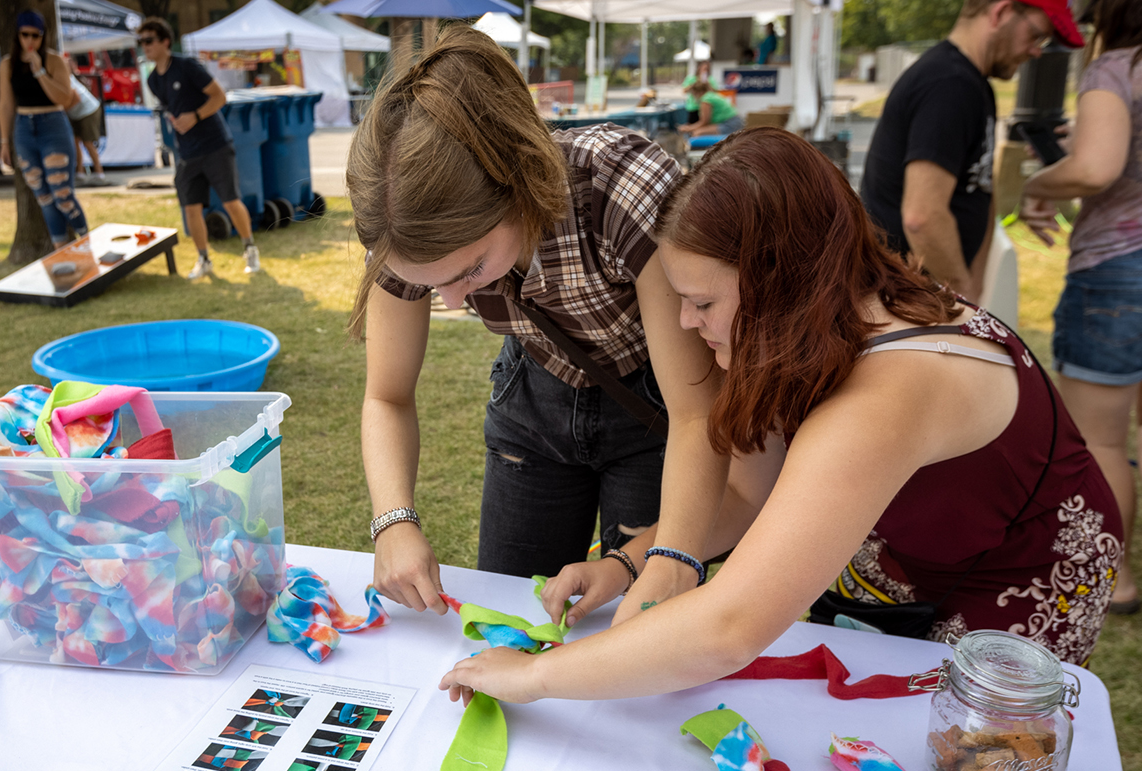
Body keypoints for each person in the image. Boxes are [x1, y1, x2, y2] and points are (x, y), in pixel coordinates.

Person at [439, 127, 1121, 707]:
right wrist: (626, 561)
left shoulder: (886, 393)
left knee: (970, 751)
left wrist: (536, 676)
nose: (684, 323)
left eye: (703, 302)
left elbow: (729, 628)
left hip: (1015, 574)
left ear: (779, 282)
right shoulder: (803, 329)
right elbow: (746, 494)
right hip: (906, 561)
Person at [348, 26, 728, 618]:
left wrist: (668, 560)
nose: (451, 302)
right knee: (517, 613)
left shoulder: (617, 189)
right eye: (431, 283)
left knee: (639, 618)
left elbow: (695, 413)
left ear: (517, 184)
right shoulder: (407, 227)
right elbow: (387, 396)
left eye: (470, 270)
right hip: (533, 402)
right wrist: (393, 520)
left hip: (656, 411)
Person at [1021, 0, 1142, 615]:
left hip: (1119, 269)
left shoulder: (1116, 68)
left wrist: (1036, 184)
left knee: (1100, 442)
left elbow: (1095, 167)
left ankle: (1114, 582)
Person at [860, 0, 1082, 302]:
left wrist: (974, 287)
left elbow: (981, 189)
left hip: (933, 295)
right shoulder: (949, 85)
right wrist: (964, 297)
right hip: (907, 298)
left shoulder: (974, 84)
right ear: (1001, 12)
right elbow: (923, 217)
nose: (1037, 51)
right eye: (1036, 35)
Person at [137, 17, 260, 278]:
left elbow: (220, 96)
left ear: (165, 42)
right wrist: (177, 121)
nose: (144, 46)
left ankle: (250, 249)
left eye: (149, 40)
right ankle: (203, 259)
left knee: (230, 201)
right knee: (190, 207)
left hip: (215, 144)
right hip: (187, 151)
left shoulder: (186, 66)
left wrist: (195, 116)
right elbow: (172, 109)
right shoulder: (153, 81)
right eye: (141, 42)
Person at [0, 10, 90, 245]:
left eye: (35, 36)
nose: (30, 41)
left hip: (53, 125)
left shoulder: (54, 61)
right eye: (25, 35)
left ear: (43, 36)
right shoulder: (8, 64)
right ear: (17, 36)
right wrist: (4, 141)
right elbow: (5, 104)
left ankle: (87, 242)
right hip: (24, 128)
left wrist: (39, 71)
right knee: (44, 197)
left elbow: (64, 99)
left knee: (62, 195)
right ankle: (61, 251)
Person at [679, 80, 745, 138]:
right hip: (735, 121)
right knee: (698, 131)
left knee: (697, 133)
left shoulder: (706, 99)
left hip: (730, 124)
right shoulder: (711, 95)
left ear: (696, 92)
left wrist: (688, 128)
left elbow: (704, 122)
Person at [70, 83, 107, 184]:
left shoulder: (63, 77)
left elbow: (76, 98)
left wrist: (64, 108)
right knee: (75, 141)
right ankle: (80, 173)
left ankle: (99, 174)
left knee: (88, 142)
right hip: (74, 113)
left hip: (88, 111)